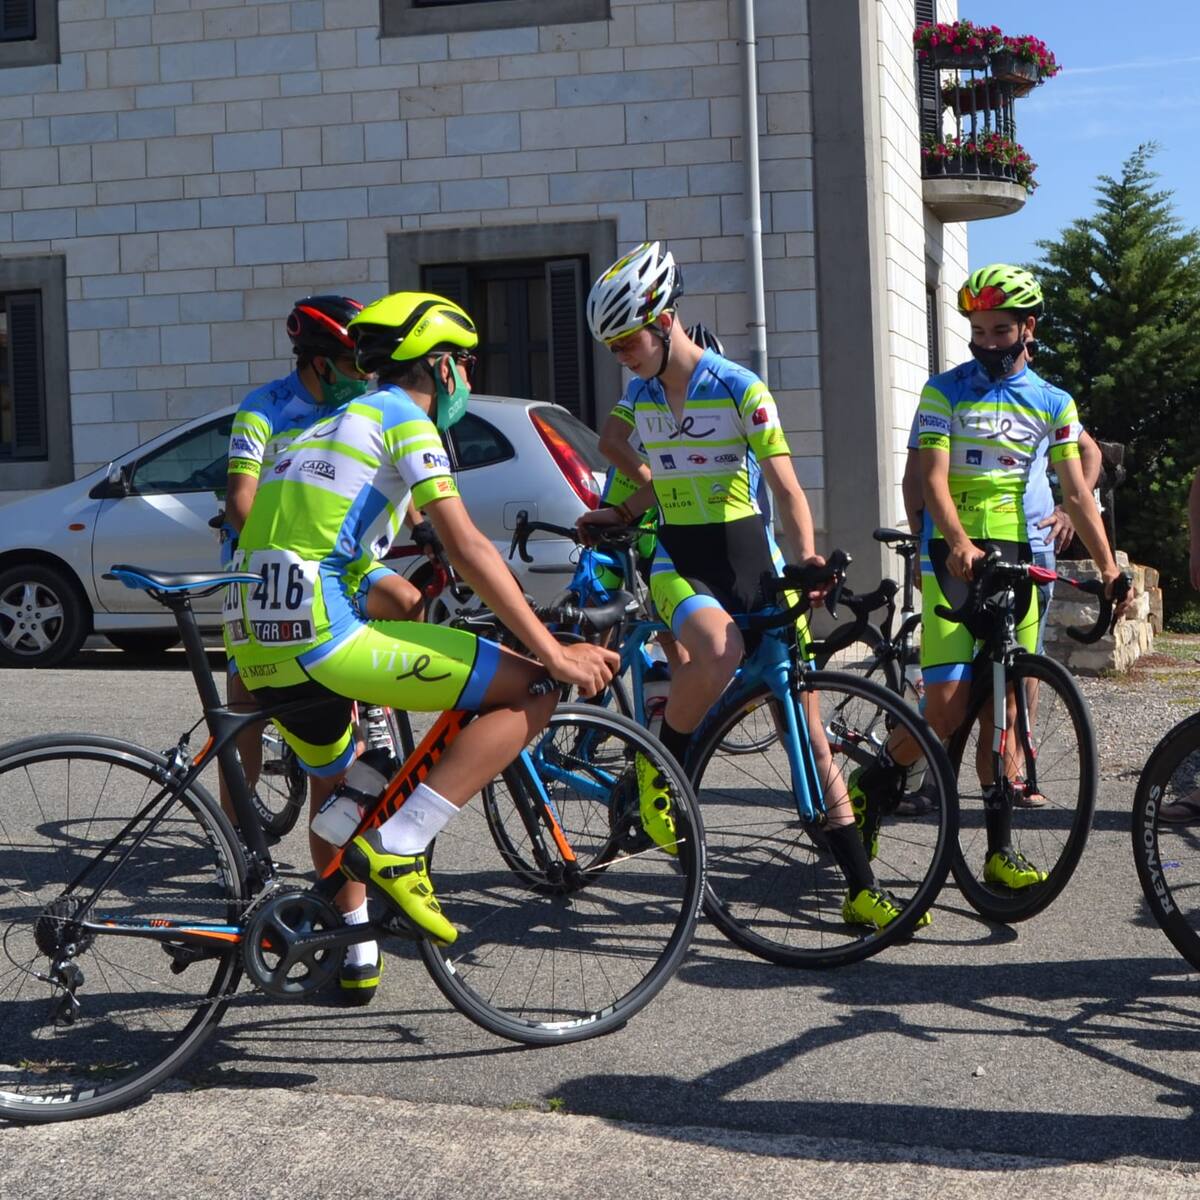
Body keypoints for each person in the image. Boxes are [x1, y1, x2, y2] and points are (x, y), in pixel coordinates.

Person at [224, 291, 617, 961]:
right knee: (534, 687)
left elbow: (338, 533)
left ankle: (354, 955)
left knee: (339, 786)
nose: (468, 378)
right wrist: (552, 651)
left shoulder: (334, 422)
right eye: (466, 363)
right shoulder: (404, 416)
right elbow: (467, 545)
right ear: (441, 366)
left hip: (256, 641)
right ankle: (402, 847)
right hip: (321, 635)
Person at [578, 241, 917, 930]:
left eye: (627, 341)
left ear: (663, 321)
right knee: (720, 648)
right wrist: (630, 506)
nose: (621, 357)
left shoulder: (737, 386)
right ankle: (660, 768)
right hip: (681, 561)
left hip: (749, 560)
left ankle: (860, 888)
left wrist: (808, 557)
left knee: (809, 736)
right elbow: (624, 453)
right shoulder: (639, 394)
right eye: (611, 347)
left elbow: (786, 487)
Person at [879, 264, 1133, 887]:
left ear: (1028, 329)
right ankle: (872, 783)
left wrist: (1109, 569)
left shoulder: (1053, 401)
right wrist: (954, 542)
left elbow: (1077, 491)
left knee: (1006, 708)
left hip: (1019, 554)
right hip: (957, 555)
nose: (987, 343)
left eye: (999, 330)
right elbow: (930, 478)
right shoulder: (943, 391)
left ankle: (999, 852)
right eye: (978, 331)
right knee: (945, 710)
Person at [218, 295, 427, 1001]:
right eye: (345, 360)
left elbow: (393, 487)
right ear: (313, 361)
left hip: (336, 567)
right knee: (244, 720)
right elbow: (242, 502)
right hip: (265, 575)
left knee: (408, 602)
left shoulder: (359, 409)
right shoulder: (263, 409)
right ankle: (238, 851)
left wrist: (424, 528)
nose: (359, 373)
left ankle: (369, 703)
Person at [902, 405, 1103, 807]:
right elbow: (915, 478)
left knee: (1018, 680)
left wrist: (1067, 511)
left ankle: (1006, 784)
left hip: (1032, 548)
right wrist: (924, 544)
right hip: (963, 553)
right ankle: (931, 775)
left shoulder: (1039, 398)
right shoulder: (948, 396)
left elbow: (1090, 452)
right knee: (955, 687)